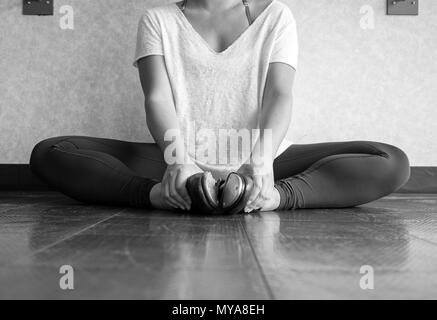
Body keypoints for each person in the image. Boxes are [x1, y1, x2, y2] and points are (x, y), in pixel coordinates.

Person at [29, 0, 410, 213]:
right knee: (50, 153)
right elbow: (157, 98)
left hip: (263, 161)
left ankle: (271, 197)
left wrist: (261, 164)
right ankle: (161, 195)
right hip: (181, 161)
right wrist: (179, 162)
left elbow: (280, 94)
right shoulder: (157, 20)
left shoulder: (276, 16)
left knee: (390, 161)